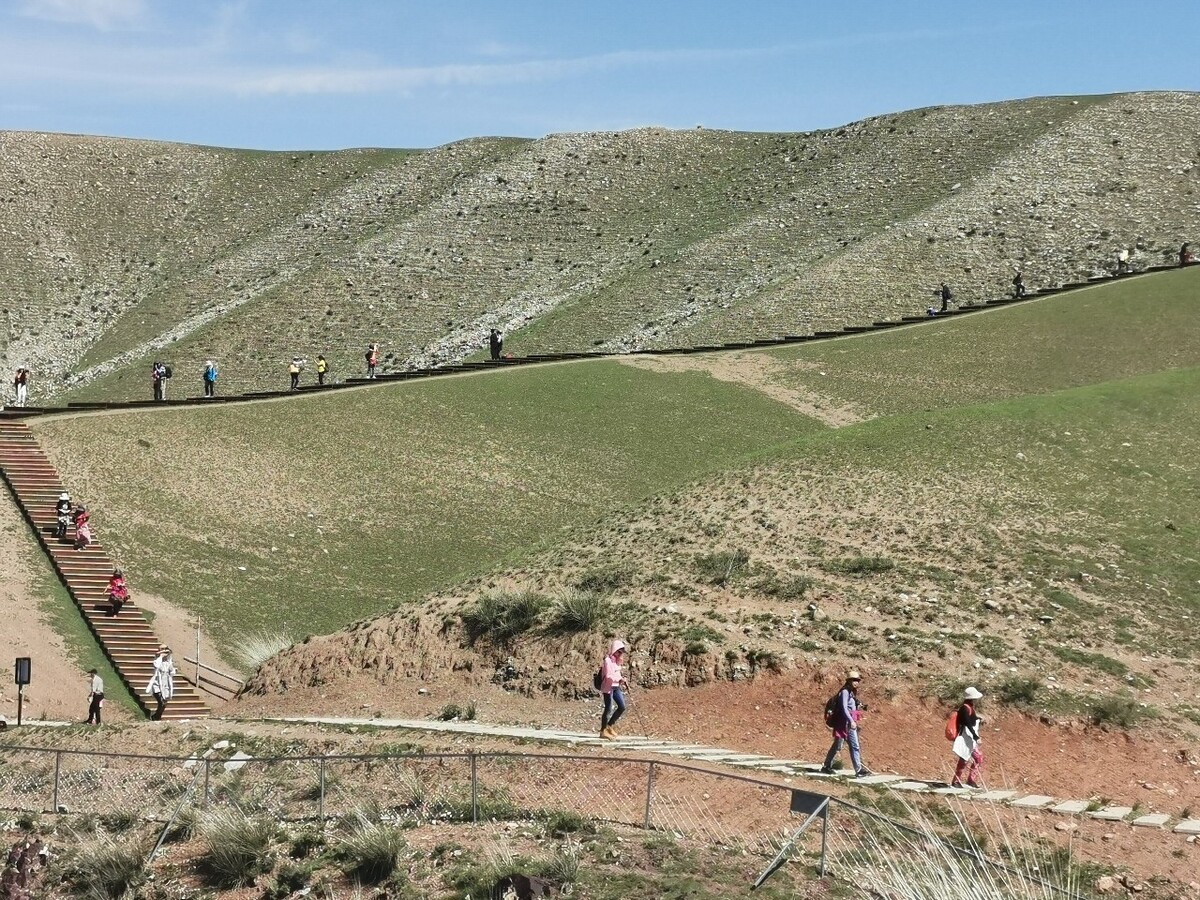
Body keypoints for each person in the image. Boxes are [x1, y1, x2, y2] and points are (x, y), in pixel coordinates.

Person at [821, 670, 874, 777]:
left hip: (849, 723)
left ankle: (857, 769)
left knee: (851, 745)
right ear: (849, 681)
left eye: (857, 680)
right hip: (844, 724)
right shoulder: (845, 692)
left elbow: (851, 707)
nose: (856, 682)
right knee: (840, 746)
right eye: (854, 680)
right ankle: (828, 766)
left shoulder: (851, 692)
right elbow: (844, 708)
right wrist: (851, 720)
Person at [950, 687, 985, 788]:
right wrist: (976, 737)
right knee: (970, 758)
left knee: (969, 758)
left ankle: (964, 780)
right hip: (966, 737)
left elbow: (970, 720)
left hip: (968, 737)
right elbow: (968, 724)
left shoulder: (968, 707)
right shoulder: (965, 708)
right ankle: (961, 780)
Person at [599, 639, 629, 739]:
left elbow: (617, 673)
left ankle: (609, 726)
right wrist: (619, 679)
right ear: (614, 650)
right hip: (608, 687)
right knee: (608, 708)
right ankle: (603, 731)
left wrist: (621, 679)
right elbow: (608, 675)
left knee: (622, 707)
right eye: (619, 651)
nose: (620, 654)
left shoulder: (617, 661)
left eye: (621, 652)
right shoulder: (607, 661)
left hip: (616, 687)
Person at [146, 647, 176, 720]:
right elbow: (156, 666)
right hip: (157, 685)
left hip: (165, 685)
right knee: (161, 702)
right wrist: (160, 656)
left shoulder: (168, 663)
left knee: (164, 704)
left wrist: (171, 668)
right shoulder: (157, 661)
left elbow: (172, 672)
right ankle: (156, 717)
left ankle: (156, 716)